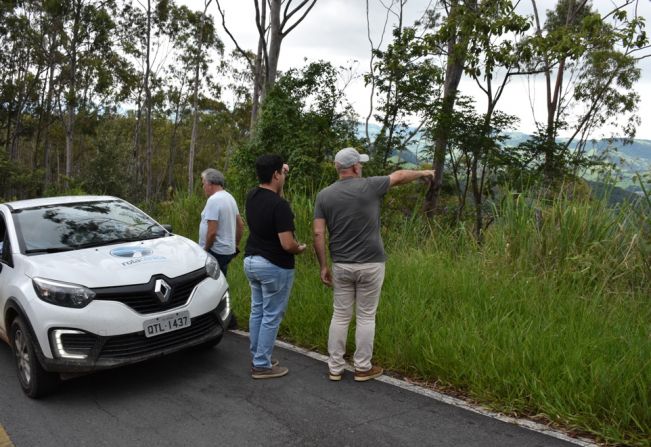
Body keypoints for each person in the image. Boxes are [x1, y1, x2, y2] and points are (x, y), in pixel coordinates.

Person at [313, 147, 435, 382]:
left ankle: (335, 368)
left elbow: (318, 234)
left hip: (341, 265)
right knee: (366, 316)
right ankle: (362, 367)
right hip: (371, 263)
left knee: (340, 315)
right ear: (356, 167)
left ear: (338, 168)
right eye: (361, 164)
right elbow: (399, 176)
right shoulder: (370, 186)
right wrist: (424, 172)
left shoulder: (324, 195)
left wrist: (323, 266)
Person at [244, 154, 306, 379]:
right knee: (271, 315)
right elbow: (286, 243)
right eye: (281, 172)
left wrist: (282, 175)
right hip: (273, 265)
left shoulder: (252, 196)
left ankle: (258, 356)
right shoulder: (280, 206)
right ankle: (262, 364)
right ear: (275, 174)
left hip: (251, 261)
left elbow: (273, 192)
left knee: (257, 311)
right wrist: (299, 248)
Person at [199, 168, 245, 276]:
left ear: (210, 183)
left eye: (203, 184)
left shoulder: (214, 200)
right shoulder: (229, 197)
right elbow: (241, 225)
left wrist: (204, 250)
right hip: (226, 251)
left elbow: (212, 232)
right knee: (221, 279)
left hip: (215, 251)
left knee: (210, 283)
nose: (203, 187)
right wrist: (235, 246)